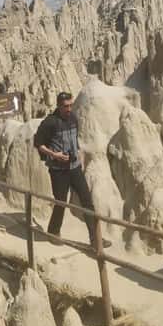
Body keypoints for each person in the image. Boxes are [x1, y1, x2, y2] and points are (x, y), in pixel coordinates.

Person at [34, 91, 111, 248]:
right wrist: (54, 154)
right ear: (58, 106)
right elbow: (38, 143)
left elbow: (75, 139)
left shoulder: (73, 119)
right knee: (61, 202)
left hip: (74, 168)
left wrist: (78, 153)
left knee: (87, 202)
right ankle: (53, 232)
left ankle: (96, 239)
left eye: (71, 105)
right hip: (58, 170)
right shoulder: (50, 123)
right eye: (65, 106)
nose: (69, 109)